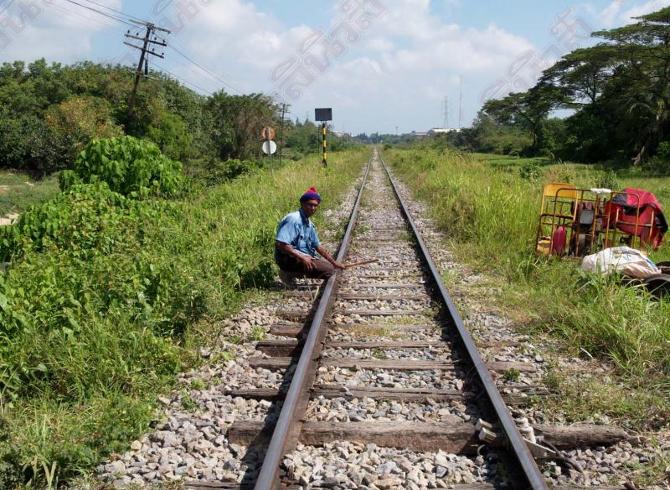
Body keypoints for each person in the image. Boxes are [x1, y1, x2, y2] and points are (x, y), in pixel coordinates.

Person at [275, 187, 345, 286]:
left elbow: (317, 246)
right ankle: (287, 272)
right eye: (310, 205)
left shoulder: (309, 224)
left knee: (332, 268)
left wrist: (334, 262)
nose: (313, 208)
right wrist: (302, 257)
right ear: (302, 204)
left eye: (315, 206)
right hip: (288, 259)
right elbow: (281, 244)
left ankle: (294, 271)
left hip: (301, 257)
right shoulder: (294, 219)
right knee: (330, 271)